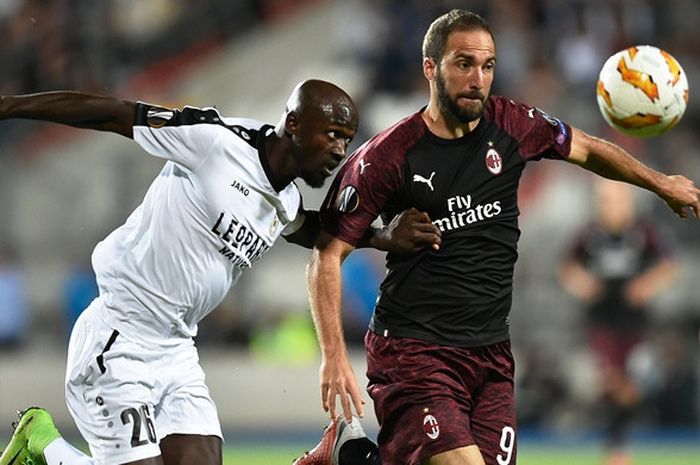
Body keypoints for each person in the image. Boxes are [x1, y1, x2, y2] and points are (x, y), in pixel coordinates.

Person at [305, 9, 700, 465]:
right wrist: (333, 356)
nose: (478, 78)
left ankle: (349, 457)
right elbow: (327, 253)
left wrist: (661, 183)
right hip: (414, 350)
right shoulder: (387, 156)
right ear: (430, 68)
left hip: (490, 354)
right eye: (463, 63)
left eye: (488, 65)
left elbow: (588, 149)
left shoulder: (512, 125)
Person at [0, 80, 442, 465]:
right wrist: (11, 106)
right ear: (293, 123)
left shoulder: (284, 199)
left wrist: (381, 237)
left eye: (346, 140)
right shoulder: (215, 142)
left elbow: (309, 229)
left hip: (177, 351)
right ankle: (43, 444)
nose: (339, 151)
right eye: (331, 135)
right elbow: (113, 115)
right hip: (119, 336)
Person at [559, 179, 678, 465]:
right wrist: (583, 284)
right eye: (604, 201)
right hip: (601, 323)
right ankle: (617, 449)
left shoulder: (642, 232)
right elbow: (567, 268)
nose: (609, 206)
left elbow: (668, 265)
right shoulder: (590, 234)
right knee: (611, 381)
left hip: (635, 325)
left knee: (630, 390)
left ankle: (616, 442)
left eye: (614, 200)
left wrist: (645, 285)